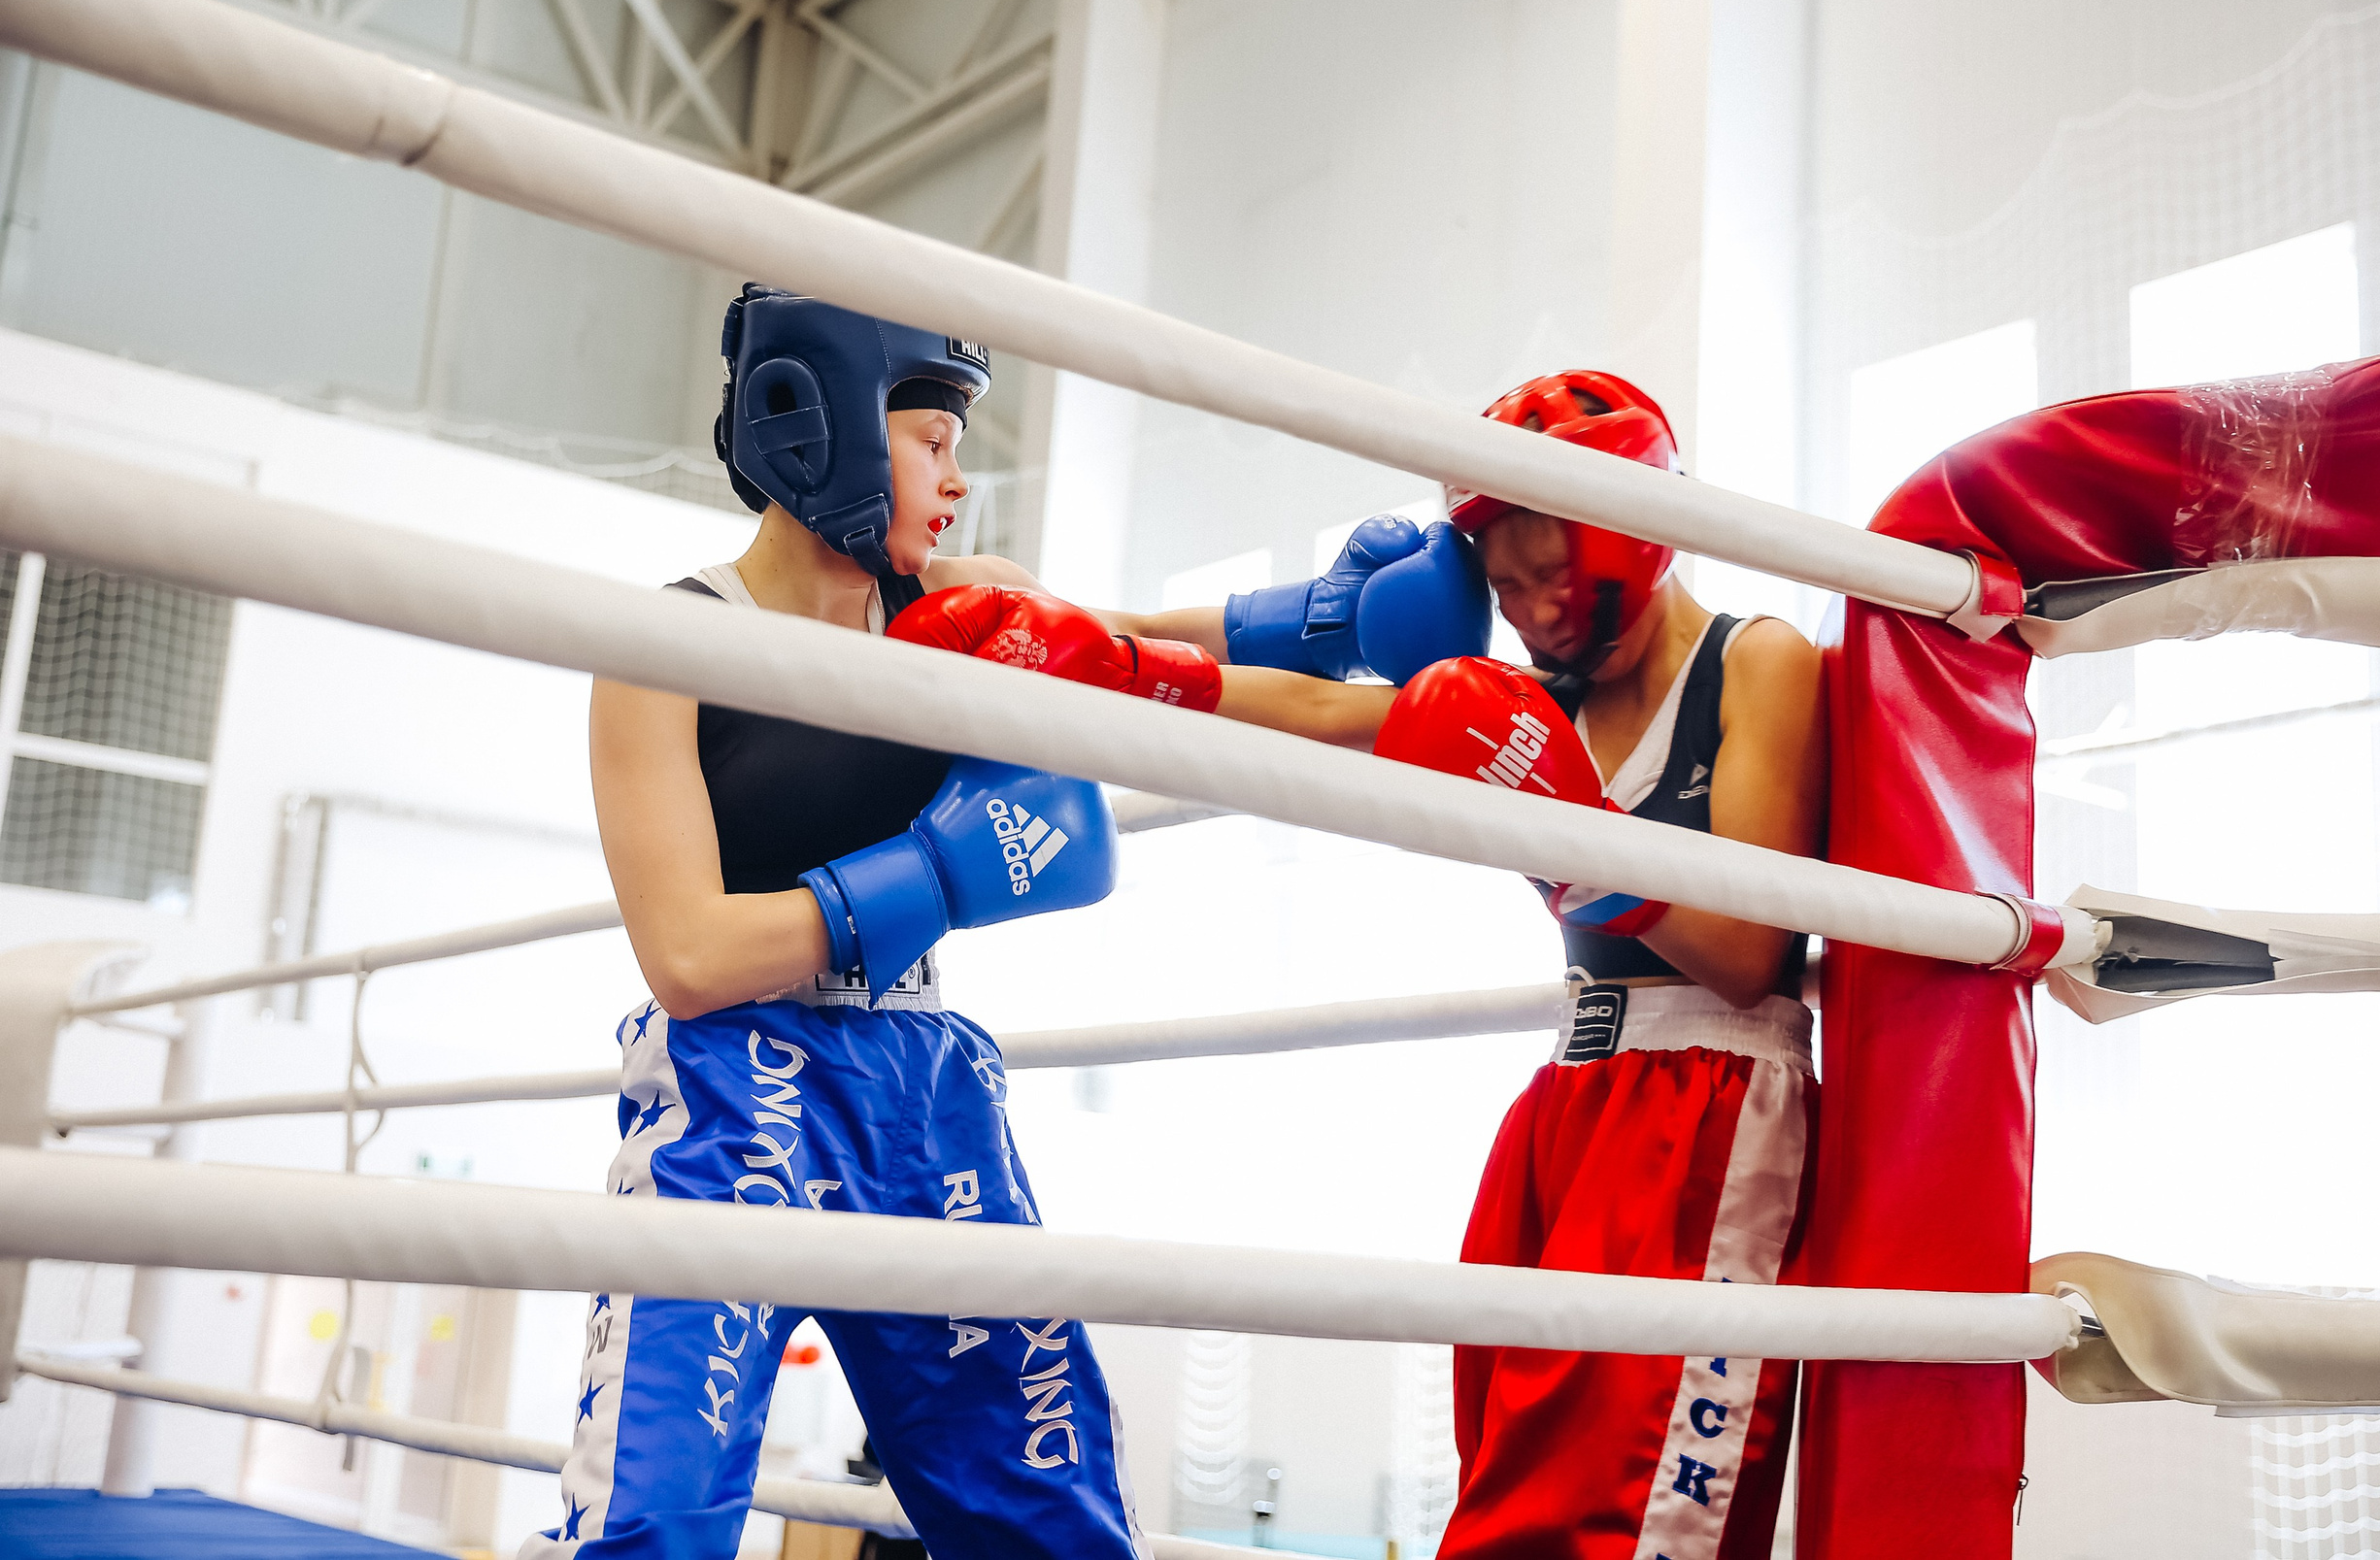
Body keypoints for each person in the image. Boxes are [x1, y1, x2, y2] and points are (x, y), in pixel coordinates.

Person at [528, 286, 1216, 1560]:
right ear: (827, 424)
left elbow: (1158, 655)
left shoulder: (962, 611)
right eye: (932, 438)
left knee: (1048, 1515)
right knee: (654, 1519)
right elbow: (689, 958)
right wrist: (933, 879)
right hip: (735, 1082)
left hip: (923, 1088)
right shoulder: (663, 643)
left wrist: (1349, 642)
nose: (959, 479)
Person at [1179, 371, 1826, 1560]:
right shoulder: (1533, 700)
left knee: (1608, 1517)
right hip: (1567, 1103)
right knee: (1500, 1488)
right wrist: (1091, 651)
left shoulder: (1757, 660)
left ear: (1635, 534)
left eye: (1554, 576)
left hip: (1706, 1103)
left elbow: (1746, 953)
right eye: (1507, 586)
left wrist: (1570, 833)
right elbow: (1310, 712)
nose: (1534, 612)